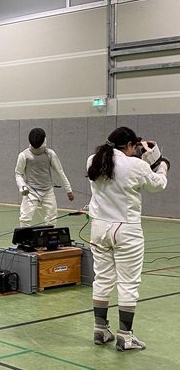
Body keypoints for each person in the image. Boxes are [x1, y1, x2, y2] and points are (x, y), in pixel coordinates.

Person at [86, 126, 169, 351]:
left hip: (99, 229)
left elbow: (117, 167)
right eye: (135, 147)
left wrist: (138, 157)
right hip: (127, 231)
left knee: (102, 279)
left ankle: (100, 330)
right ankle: (125, 336)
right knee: (128, 283)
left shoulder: (94, 160)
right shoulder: (137, 165)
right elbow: (158, 184)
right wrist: (161, 164)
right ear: (130, 146)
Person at [15, 128, 74, 227]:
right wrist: (22, 186)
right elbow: (18, 173)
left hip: (48, 191)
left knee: (52, 219)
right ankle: (23, 241)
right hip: (31, 191)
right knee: (25, 219)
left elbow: (60, 172)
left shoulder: (50, 154)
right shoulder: (24, 155)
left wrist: (69, 190)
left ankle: (48, 241)